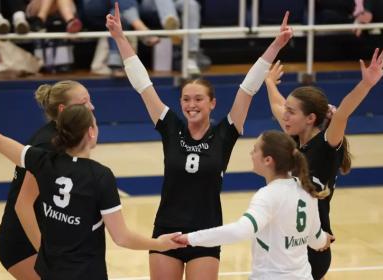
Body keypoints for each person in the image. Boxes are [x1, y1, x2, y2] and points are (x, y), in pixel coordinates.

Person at [107, 2, 293, 279]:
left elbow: (248, 88)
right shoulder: (170, 126)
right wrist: (121, 39)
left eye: (198, 99)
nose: (191, 105)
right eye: (185, 99)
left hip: (206, 233)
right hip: (166, 230)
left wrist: (276, 45)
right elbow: (143, 84)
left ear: (212, 103)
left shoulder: (225, 133)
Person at [0, 104, 184, 280]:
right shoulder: (100, 176)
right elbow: (122, 237)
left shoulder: (43, 162)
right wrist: (160, 244)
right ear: (91, 132)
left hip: (50, 271)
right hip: (86, 273)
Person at [264, 48, 383, 279]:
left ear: (310, 118)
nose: (285, 116)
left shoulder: (327, 144)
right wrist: (269, 82)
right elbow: (277, 105)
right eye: (287, 112)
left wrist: (366, 84)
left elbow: (342, 113)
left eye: (292, 112)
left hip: (315, 245)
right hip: (288, 242)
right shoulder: (293, 138)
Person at [175, 130, 335, 280]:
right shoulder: (306, 189)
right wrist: (324, 240)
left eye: (255, 150)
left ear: (268, 160)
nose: (251, 154)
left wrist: (190, 238)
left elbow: (240, 231)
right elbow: (316, 239)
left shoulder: (268, 195)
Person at [0, 80, 95, 280]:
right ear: (63, 109)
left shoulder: (67, 138)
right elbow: (23, 205)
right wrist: (47, 255)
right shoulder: (48, 146)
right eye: (85, 102)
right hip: (22, 244)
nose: (92, 107)